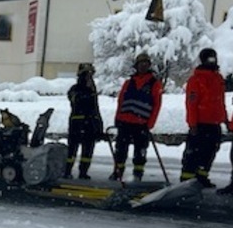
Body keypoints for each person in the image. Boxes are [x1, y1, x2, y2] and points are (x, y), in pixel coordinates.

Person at [181, 48, 230, 188]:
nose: (212, 60)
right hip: (200, 123)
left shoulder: (218, 78)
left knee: (209, 152)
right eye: (209, 58)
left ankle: (202, 177)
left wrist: (225, 119)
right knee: (193, 153)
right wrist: (192, 124)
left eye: (214, 57)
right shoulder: (196, 79)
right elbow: (191, 103)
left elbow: (221, 100)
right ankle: (186, 179)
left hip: (214, 123)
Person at [110, 52, 163, 181]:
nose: (143, 66)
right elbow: (121, 101)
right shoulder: (129, 83)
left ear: (149, 65)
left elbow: (157, 105)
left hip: (142, 124)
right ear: (136, 66)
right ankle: (118, 172)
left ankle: (138, 174)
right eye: (141, 63)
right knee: (120, 150)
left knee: (140, 151)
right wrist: (117, 118)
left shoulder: (154, 84)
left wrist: (150, 124)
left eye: (146, 63)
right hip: (125, 122)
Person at [64, 62, 103, 179]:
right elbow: (77, 102)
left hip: (90, 125)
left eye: (91, 74)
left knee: (88, 150)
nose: (89, 77)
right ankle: (67, 171)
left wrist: (99, 125)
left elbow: (95, 108)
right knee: (72, 150)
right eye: (87, 74)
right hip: (77, 124)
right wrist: (87, 92)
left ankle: (83, 172)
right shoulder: (75, 89)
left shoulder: (92, 90)